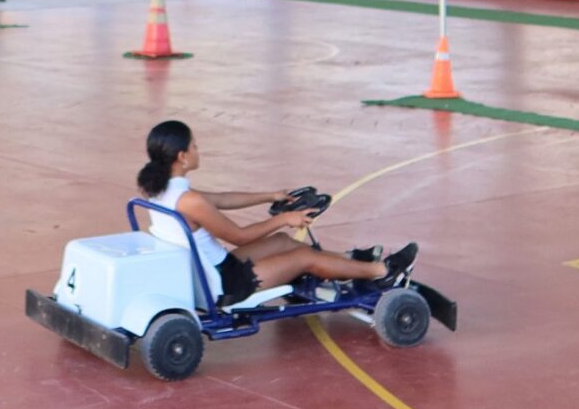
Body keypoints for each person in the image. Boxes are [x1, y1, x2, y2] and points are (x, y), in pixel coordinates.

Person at [135, 119, 415, 304]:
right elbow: (239, 237)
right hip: (223, 282)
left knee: (282, 242)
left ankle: (349, 260)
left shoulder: (161, 190)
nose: (198, 149)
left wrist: (270, 196)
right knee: (304, 257)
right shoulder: (189, 201)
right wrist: (284, 218)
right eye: (194, 146)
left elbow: (220, 199)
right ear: (182, 157)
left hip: (206, 268)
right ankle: (382, 272)